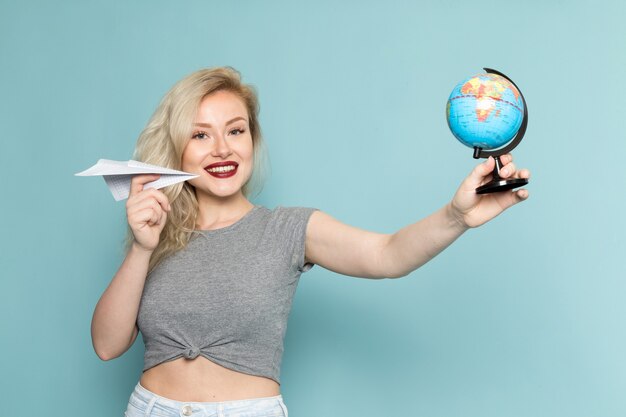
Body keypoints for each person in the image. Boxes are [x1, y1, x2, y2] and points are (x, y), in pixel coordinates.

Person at [91, 67, 530, 417]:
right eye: (200, 134)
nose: (222, 148)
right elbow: (107, 346)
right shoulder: (158, 231)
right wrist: (142, 247)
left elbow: (387, 254)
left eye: (236, 130)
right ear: (178, 149)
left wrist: (456, 216)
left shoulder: (287, 229)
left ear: (253, 140)